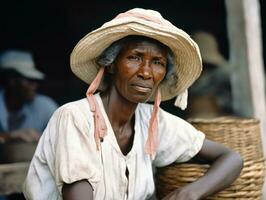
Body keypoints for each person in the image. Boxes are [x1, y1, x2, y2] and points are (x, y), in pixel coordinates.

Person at [23, 8, 243, 200]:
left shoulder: (153, 122)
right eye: (134, 57)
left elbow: (232, 158)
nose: (146, 73)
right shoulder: (75, 118)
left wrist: (187, 194)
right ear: (110, 65)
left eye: (157, 62)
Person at [0, 50, 58, 143]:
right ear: (11, 80)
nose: (35, 85)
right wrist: (9, 136)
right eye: (30, 80)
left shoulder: (45, 107)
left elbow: (66, 138)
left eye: (35, 81)